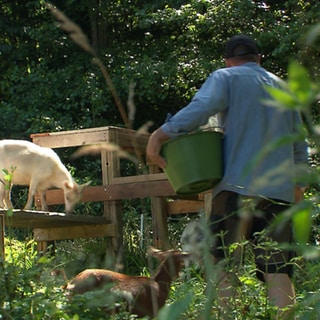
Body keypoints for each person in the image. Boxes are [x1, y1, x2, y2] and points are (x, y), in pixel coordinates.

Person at [146, 34, 308, 319]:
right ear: (259, 59)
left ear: (228, 61)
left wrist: (160, 135)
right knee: (277, 269)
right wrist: (298, 187)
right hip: (279, 193)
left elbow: (200, 110)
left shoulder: (226, 77)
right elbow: (299, 144)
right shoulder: (285, 88)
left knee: (221, 262)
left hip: (235, 188)